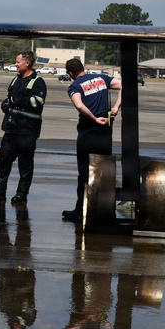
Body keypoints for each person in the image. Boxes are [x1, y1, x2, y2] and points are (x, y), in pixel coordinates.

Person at [63, 58, 121, 221]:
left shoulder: (74, 86)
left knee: (84, 174)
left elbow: (79, 105)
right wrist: (116, 107)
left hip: (88, 131)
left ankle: (80, 210)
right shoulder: (101, 79)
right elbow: (124, 85)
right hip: (105, 131)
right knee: (105, 172)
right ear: (83, 68)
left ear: (70, 74)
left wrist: (94, 119)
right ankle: (108, 211)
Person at [0, 51, 47, 204]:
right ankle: (0, 193)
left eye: (18, 61)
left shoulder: (38, 82)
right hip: (11, 131)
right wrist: (6, 105)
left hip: (27, 132)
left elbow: (37, 102)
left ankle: (21, 194)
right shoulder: (15, 80)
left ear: (27, 63)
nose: (16, 64)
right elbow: (10, 99)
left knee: (25, 166)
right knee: (3, 164)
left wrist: (15, 100)